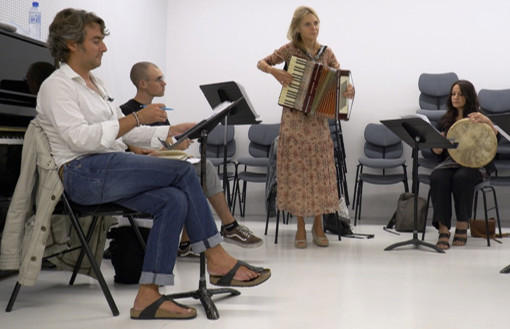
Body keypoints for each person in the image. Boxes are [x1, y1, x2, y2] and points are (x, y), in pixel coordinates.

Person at [37, 9, 270, 320]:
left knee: (172, 200)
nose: (104, 47)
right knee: (185, 170)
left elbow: (121, 132)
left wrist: (169, 131)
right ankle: (216, 256)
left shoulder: (96, 83)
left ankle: (148, 296)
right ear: (70, 44)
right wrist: (135, 117)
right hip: (82, 174)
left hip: (107, 165)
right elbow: (81, 140)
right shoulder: (57, 86)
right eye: (95, 41)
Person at [120, 61, 263, 251]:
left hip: (161, 164)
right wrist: (169, 148)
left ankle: (188, 244)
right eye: (159, 79)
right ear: (142, 83)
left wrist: (178, 144)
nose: (164, 83)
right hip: (141, 170)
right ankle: (228, 226)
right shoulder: (126, 112)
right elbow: (138, 151)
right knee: (204, 169)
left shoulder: (159, 112)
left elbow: (165, 143)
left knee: (200, 172)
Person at [257, 6, 353, 249]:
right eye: (309, 24)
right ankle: (300, 226)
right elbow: (261, 63)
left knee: (319, 173)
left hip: (318, 121)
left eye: (316, 23)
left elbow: (342, 81)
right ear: (298, 28)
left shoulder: (326, 52)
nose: (314, 28)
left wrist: (349, 90)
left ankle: (318, 226)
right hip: (294, 119)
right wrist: (275, 72)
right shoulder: (290, 49)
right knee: (298, 173)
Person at [429, 80, 498, 250]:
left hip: (475, 164)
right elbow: (437, 151)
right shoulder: (445, 119)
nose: (456, 97)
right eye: (453, 94)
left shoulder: (479, 117)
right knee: (438, 177)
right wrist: (437, 146)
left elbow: (496, 139)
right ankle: (443, 229)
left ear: (468, 96)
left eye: (460, 94)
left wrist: (487, 121)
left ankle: (462, 224)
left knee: (462, 178)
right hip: (449, 162)